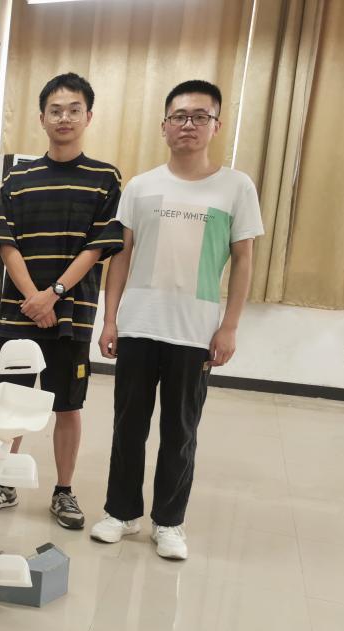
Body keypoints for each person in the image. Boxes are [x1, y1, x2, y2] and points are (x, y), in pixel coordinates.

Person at [91, 80, 263, 560]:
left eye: (200, 116)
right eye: (179, 116)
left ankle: (169, 522)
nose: (189, 124)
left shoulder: (236, 187)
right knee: (128, 426)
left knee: (181, 431)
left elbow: (243, 260)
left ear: (216, 125)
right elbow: (121, 256)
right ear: (164, 125)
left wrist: (229, 326)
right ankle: (121, 513)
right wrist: (110, 320)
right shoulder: (141, 187)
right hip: (139, 324)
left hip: (195, 330)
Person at [0, 73, 123, 529]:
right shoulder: (19, 178)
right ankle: (4, 482)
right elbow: (6, 243)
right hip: (19, 313)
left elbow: (97, 247)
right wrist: (33, 298)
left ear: (88, 116)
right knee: (10, 403)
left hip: (72, 316)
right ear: (42, 118)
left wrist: (54, 295)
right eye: (56, 110)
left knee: (68, 405)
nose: (65, 117)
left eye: (74, 109)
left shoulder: (104, 178)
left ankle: (63, 491)